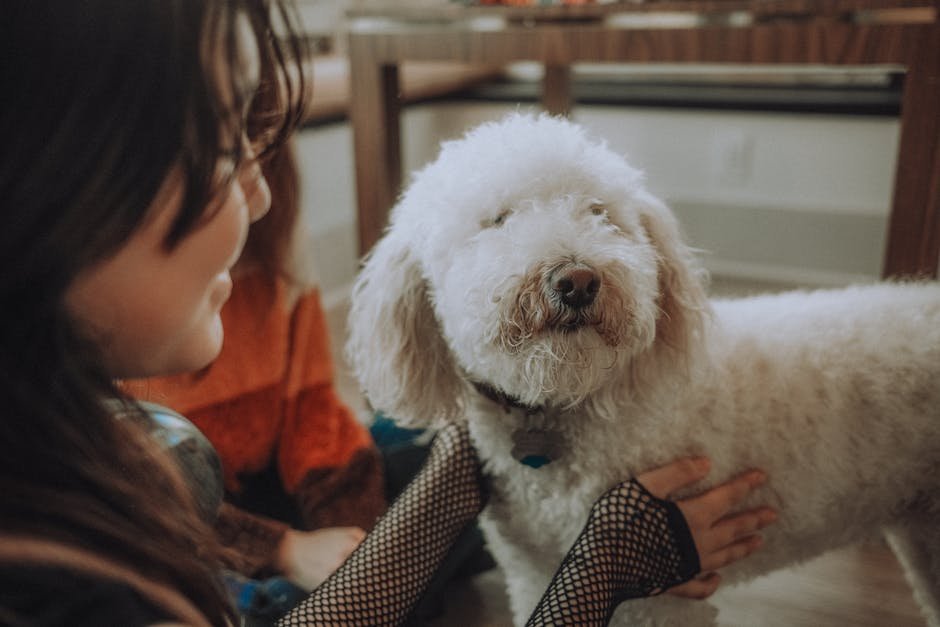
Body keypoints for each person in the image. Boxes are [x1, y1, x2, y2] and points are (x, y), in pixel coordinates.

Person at [0, 1, 777, 626]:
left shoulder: (88, 446)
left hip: (282, 500)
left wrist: (442, 483)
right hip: (256, 548)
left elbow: (318, 422)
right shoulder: (65, 586)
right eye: (218, 144)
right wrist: (598, 568)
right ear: (50, 163)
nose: (262, 194)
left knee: (413, 452)